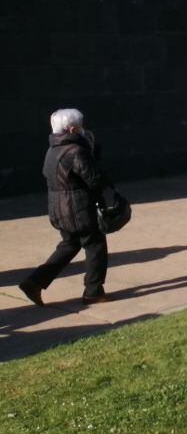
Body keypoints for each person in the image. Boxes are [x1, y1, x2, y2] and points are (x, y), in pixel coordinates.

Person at [19, 108, 114, 306]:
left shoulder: (52, 150)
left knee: (69, 245)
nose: (83, 130)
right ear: (72, 129)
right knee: (95, 246)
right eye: (80, 127)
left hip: (60, 210)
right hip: (79, 211)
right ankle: (94, 291)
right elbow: (95, 179)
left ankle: (35, 282)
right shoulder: (76, 151)